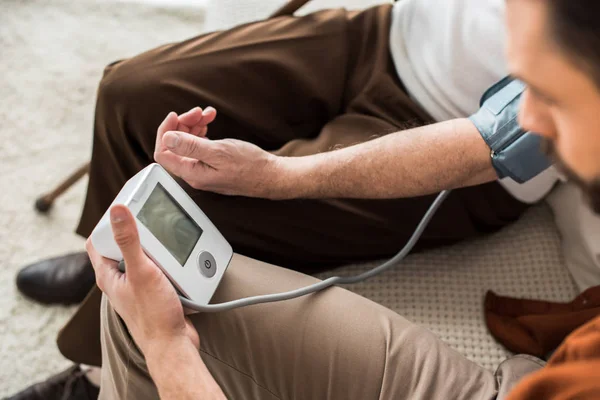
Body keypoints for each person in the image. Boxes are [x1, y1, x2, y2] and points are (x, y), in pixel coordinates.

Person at [15, 0, 598, 398]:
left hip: (443, 142)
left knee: (172, 274)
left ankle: (97, 362)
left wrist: (167, 350)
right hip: (388, 38)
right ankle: (105, 259)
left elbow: (494, 140)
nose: (528, 119)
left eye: (544, 92)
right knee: (131, 95)